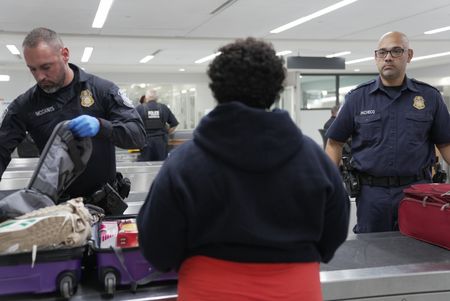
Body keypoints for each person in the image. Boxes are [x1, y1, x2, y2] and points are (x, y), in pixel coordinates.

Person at [137, 37, 349, 301]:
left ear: (217, 89)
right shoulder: (313, 159)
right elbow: (336, 229)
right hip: (295, 291)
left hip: (209, 291)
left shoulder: (183, 164)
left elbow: (157, 246)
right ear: (275, 89)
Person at [0, 27, 145, 205]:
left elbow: (137, 135)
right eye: (33, 70)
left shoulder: (102, 90)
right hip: (57, 209)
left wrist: (102, 126)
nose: (40, 76)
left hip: (104, 205)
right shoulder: (25, 105)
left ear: (65, 54)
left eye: (46, 67)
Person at [326, 31, 450, 233]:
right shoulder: (357, 98)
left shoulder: (429, 97)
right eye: (382, 52)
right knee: (373, 255)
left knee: (418, 255)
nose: (388, 57)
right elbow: (334, 142)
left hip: (417, 193)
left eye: (396, 51)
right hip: (372, 195)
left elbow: (445, 143)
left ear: (409, 55)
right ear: (376, 57)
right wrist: (328, 182)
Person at [135, 89, 178, 161]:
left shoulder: (139, 108)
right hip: (161, 143)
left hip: (145, 143)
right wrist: (166, 133)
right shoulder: (164, 108)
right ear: (157, 98)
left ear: (146, 97)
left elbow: (132, 125)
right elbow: (174, 124)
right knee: (160, 166)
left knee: (145, 166)